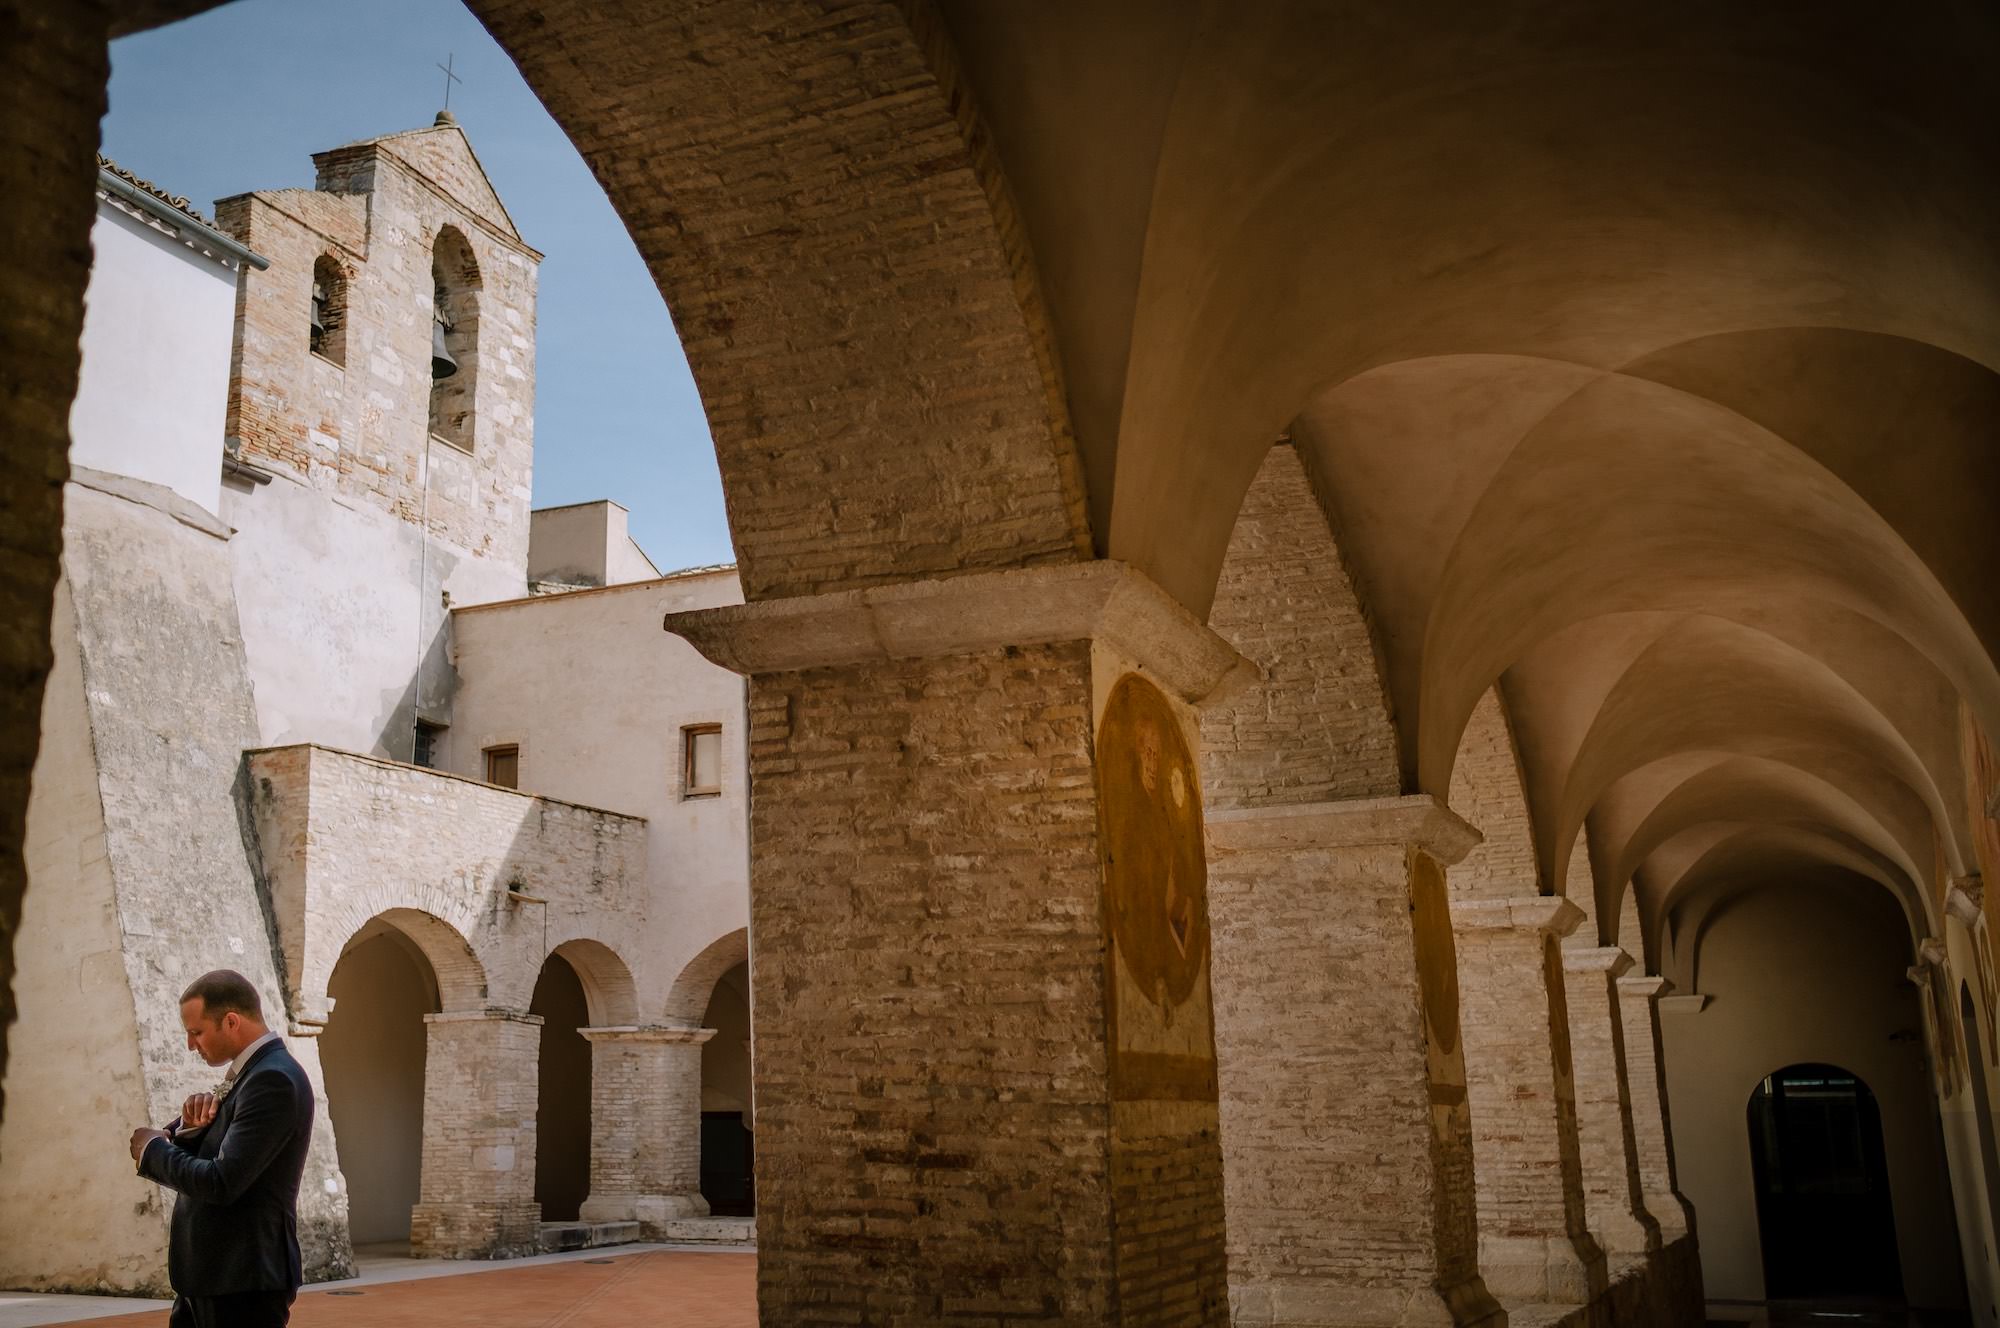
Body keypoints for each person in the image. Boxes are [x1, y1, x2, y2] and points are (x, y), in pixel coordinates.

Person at [128, 970, 314, 1328]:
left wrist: (153, 1150)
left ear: (231, 1021)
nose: (190, 1044)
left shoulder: (272, 1079)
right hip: (215, 1276)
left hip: (242, 1277)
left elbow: (222, 1181)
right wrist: (188, 1132)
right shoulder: (254, 1075)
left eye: (196, 1032)